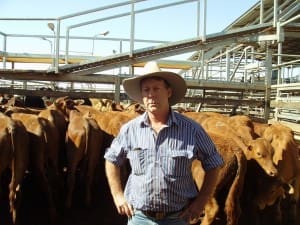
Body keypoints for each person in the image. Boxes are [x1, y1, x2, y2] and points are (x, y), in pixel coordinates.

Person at [104, 61, 224, 225]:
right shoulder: (130, 130)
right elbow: (111, 159)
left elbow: (214, 163)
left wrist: (201, 202)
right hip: (139, 217)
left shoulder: (192, 129)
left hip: (177, 217)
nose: (151, 95)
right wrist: (118, 196)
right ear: (142, 96)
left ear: (168, 92)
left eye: (156, 89)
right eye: (146, 90)